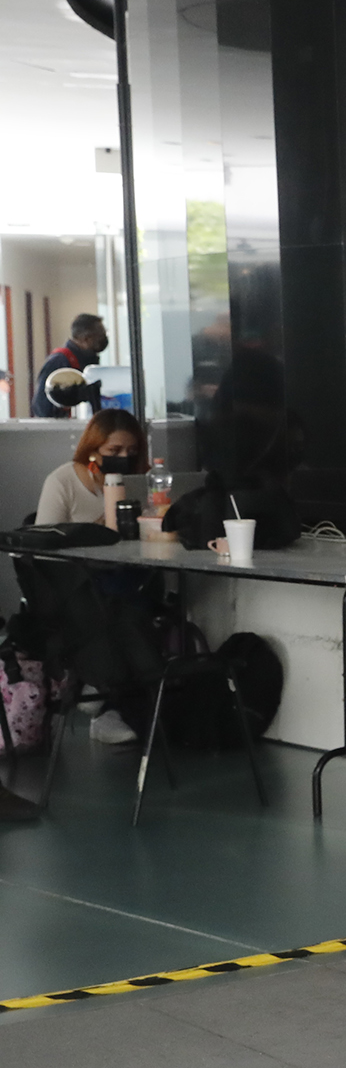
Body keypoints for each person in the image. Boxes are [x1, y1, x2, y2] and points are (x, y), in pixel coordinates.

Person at [34, 409, 151, 747]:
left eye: (131, 451)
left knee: (133, 603)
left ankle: (107, 691)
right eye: (114, 451)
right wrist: (93, 531)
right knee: (125, 613)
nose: (123, 457)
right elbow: (43, 546)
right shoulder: (63, 481)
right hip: (76, 586)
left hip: (126, 578)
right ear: (93, 449)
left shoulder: (136, 481)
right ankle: (113, 696)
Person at [33, 315, 108, 417]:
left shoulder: (90, 361)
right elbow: (42, 408)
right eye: (101, 335)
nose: (104, 338)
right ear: (86, 338)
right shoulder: (59, 361)